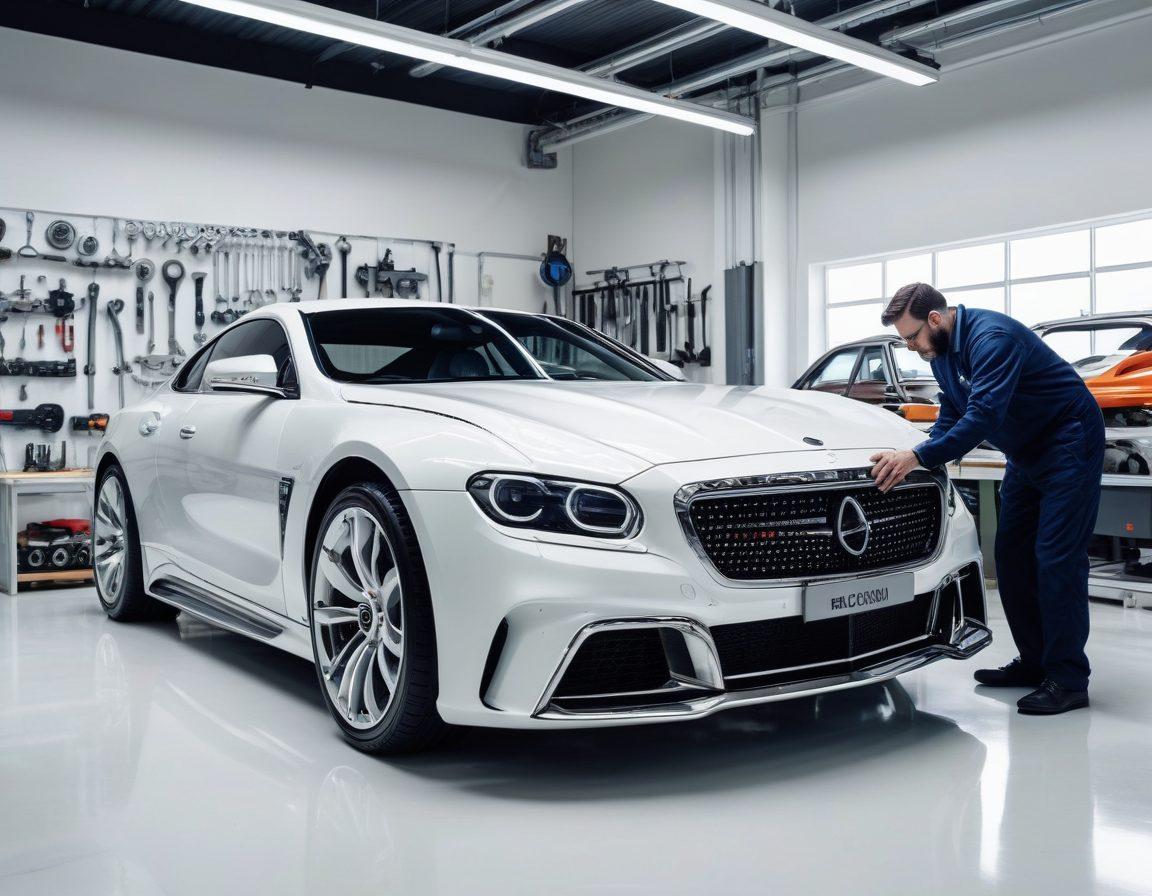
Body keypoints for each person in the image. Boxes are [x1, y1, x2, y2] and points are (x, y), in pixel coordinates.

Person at [869, 283, 1103, 715]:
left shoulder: (992, 339)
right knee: (1011, 556)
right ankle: (1035, 663)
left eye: (912, 336)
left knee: (1056, 560)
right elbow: (953, 414)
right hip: (1026, 451)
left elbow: (985, 415)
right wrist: (918, 454)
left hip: (1069, 441)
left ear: (935, 319)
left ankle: (1068, 679)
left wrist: (918, 456)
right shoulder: (940, 353)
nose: (910, 346)